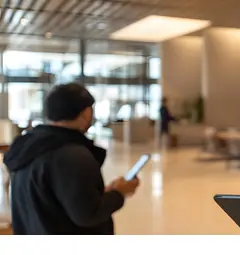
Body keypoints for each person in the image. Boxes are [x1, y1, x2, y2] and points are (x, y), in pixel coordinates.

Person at [3, 83, 140, 235]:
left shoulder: (28, 146)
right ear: (86, 113)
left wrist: (102, 194)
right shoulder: (72, 154)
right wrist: (119, 193)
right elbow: (88, 214)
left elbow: (56, 198)